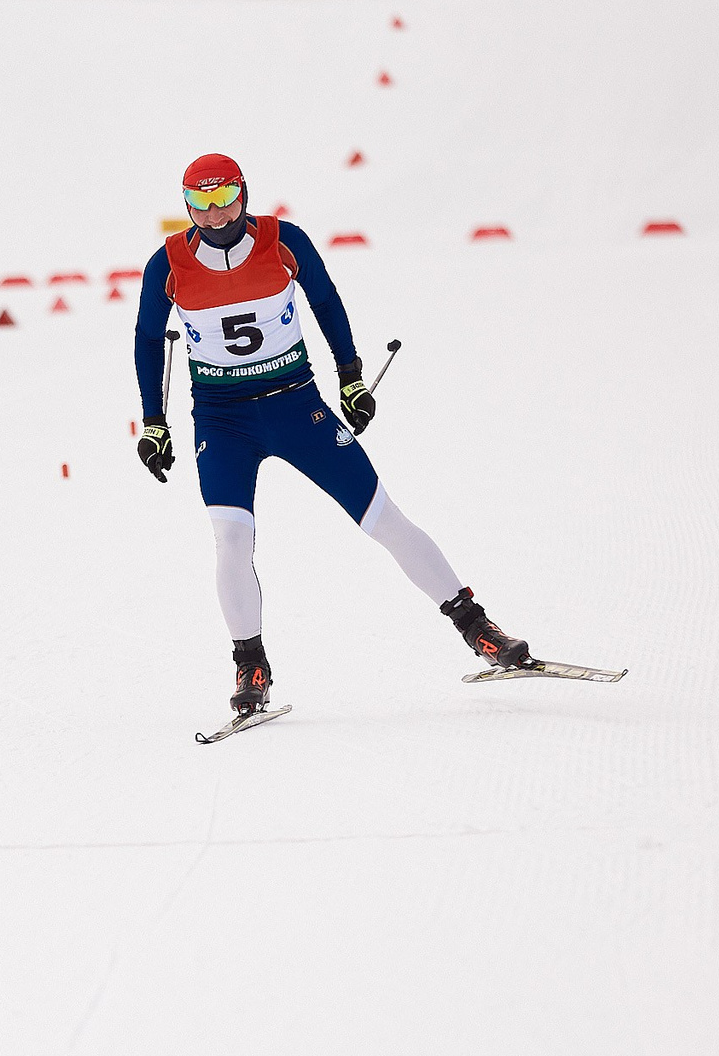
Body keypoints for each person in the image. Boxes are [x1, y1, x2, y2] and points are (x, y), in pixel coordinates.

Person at [132, 152, 531, 714]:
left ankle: (478, 629)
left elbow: (325, 301)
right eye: (202, 203)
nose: (216, 216)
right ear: (187, 205)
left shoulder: (284, 240)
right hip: (223, 420)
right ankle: (251, 664)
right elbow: (150, 338)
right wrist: (154, 421)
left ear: (244, 195)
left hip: (296, 406)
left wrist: (351, 378)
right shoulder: (167, 263)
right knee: (230, 539)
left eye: (226, 199)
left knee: (382, 517)